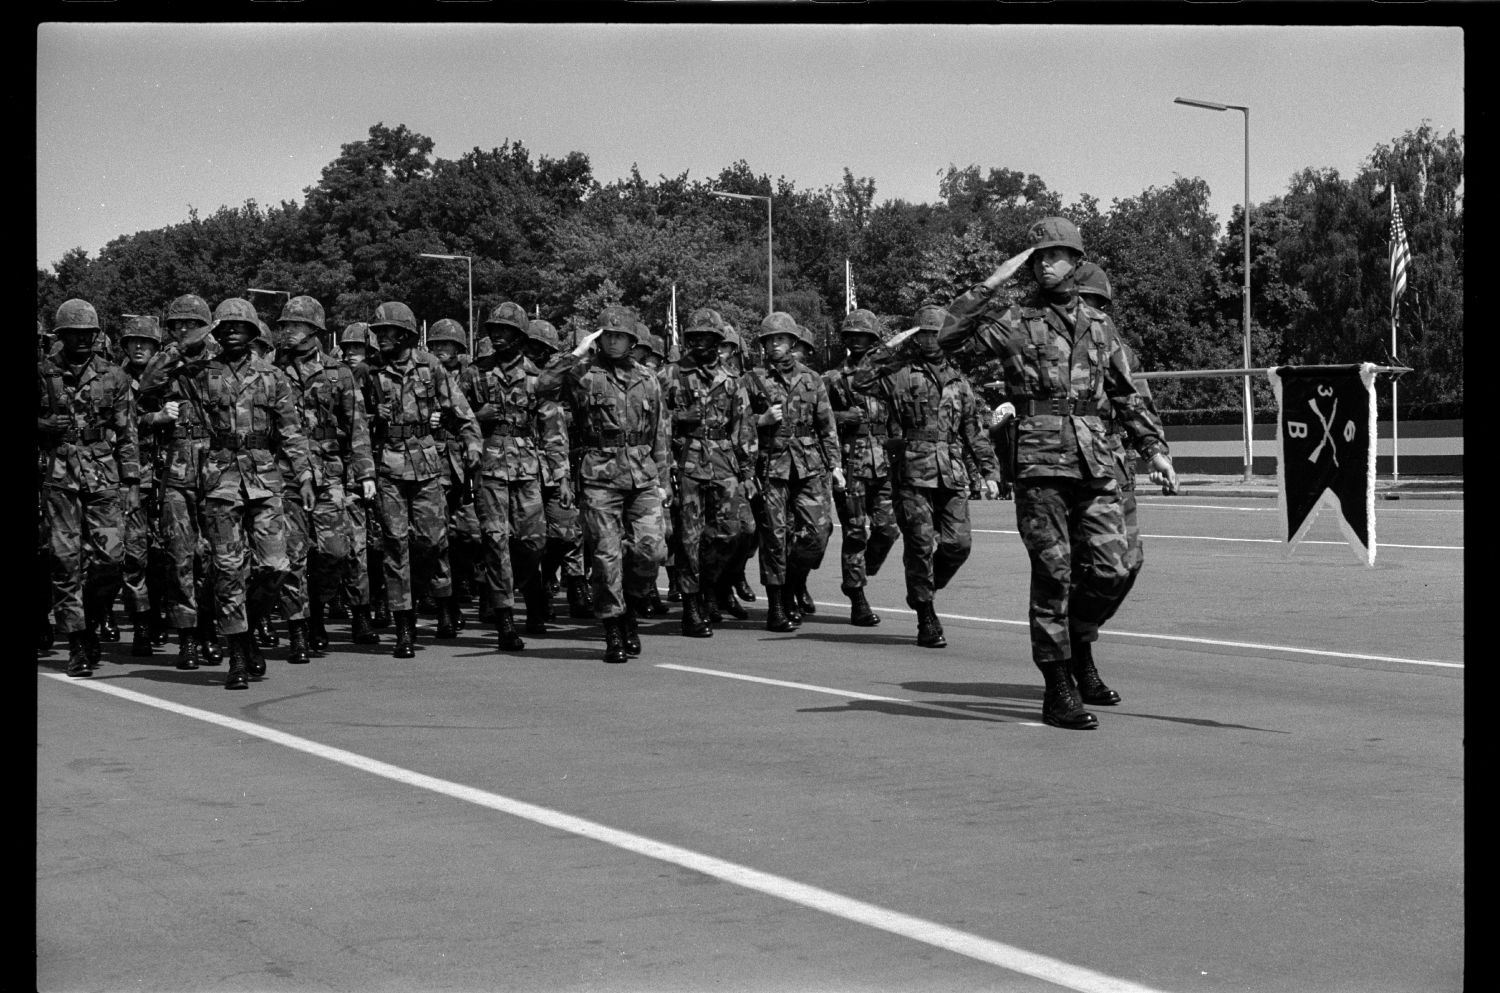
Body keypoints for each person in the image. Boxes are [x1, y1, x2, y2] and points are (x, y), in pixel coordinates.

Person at [940, 216, 1177, 729]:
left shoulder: (1099, 325)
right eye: (1038, 256)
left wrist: (1153, 448)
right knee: (1054, 574)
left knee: (1114, 567)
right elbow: (947, 336)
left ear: (1076, 261)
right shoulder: (1016, 320)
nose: (1044, 263)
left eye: (1054, 254)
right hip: (1039, 462)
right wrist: (992, 283)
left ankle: (1078, 639)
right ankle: (1058, 687)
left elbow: (1125, 392)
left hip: (1094, 459)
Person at [140, 298, 314, 689]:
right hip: (219, 481)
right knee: (228, 569)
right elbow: (149, 387)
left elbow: (291, 431)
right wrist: (181, 346)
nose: (234, 331)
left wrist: (303, 475)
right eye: (227, 326)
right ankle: (237, 652)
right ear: (216, 332)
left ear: (253, 332)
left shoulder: (272, 377)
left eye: (241, 326)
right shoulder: (198, 373)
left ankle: (247, 630)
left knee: (275, 567)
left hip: (264, 480)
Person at [855, 305, 1000, 648]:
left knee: (958, 544)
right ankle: (926, 615)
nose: (931, 339)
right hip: (913, 472)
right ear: (915, 336)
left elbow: (973, 430)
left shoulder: (959, 381)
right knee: (919, 546)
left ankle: (926, 587)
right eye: (924, 333)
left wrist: (990, 471)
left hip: (951, 471)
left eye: (936, 333)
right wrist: (891, 345)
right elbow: (861, 378)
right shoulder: (899, 373)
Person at [536, 304, 669, 664]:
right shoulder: (583, 374)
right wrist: (575, 352)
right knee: (606, 555)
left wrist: (663, 478)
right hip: (599, 477)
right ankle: (614, 627)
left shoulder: (648, 378)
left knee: (651, 549)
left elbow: (659, 432)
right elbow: (543, 387)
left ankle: (631, 605)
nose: (613, 341)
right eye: (607, 335)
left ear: (631, 340)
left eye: (620, 336)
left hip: (642, 475)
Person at [365, 301, 481, 659]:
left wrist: (472, 440)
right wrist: (374, 417)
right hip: (388, 467)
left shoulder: (430, 369)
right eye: (379, 332)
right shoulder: (369, 373)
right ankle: (405, 626)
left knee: (432, 541)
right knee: (395, 545)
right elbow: (353, 422)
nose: (382, 338)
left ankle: (441, 596)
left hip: (427, 464)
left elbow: (460, 410)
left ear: (406, 335)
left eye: (389, 332)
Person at [38, 299, 141, 677]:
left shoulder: (114, 376)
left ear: (96, 336)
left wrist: (131, 481)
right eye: (73, 334)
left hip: (102, 474)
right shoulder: (43, 373)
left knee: (111, 561)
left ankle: (94, 623)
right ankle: (79, 642)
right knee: (65, 562)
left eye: (87, 334)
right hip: (60, 474)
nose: (81, 340)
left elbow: (128, 432)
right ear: (61, 336)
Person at [273, 295, 375, 661]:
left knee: (336, 551)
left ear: (315, 331)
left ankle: (318, 603)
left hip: (329, 473)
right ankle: (300, 629)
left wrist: (364, 472)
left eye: (296, 326)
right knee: (292, 555)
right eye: (284, 326)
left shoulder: (339, 373)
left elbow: (356, 424)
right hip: (283, 473)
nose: (288, 332)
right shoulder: (271, 370)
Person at [1072, 262, 1157, 658]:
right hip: (1073, 470)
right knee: (1087, 568)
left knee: (1130, 564)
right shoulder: (1054, 349)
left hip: (1115, 465)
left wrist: (1156, 452)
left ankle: (1083, 627)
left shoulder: (1114, 346)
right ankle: (1079, 653)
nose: (1094, 311)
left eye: (1100, 304)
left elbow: (1137, 401)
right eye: (1086, 301)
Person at [744, 312, 842, 633]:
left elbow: (827, 425)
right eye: (771, 340)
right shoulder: (753, 380)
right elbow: (734, 425)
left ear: (793, 343)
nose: (776, 345)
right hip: (771, 466)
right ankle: (776, 607)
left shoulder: (812, 379)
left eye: (782, 340)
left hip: (810, 464)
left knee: (818, 532)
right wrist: (761, 421)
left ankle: (794, 585)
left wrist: (836, 465)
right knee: (774, 536)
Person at [662, 315, 757, 637]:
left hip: (724, 461)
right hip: (687, 460)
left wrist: (747, 471)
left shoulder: (731, 378)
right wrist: (679, 418)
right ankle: (691, 607)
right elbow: (651, 419)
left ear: (718, 341)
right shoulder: (672, 375)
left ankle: (713, 586)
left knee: (735, 531)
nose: (699, 342)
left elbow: (743, 424)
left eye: (706, 337)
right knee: (689, 537)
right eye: (694, 337)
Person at [144, 294, 225, 668]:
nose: (181, 330)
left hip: (217, 469)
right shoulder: (168, 362)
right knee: (180, 558)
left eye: (189, 324)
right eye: (175, 325)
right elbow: (145, 388)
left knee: (216, 558)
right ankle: (187, 638)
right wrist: (176, 352)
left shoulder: (224, 359)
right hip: (177, 470)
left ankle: (210, 629)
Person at [462, 301, 548, 649]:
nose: (497, 337)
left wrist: (559, 471)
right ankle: (505, 621)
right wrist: (475, 418)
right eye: (494, 331)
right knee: (495, 541)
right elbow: (451, 416)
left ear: (520, 337)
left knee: (533, 541)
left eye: (505, 332)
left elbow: (551, 425)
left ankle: (533, 590)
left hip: (527, 465)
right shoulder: (474, 373)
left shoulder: (536, 377)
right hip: (490, 465)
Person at [822, 309, 899, 627]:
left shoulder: (888, 376)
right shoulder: (832, 379)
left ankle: (859, 572)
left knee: (887, 529)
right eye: (851, 337)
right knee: (855, 533)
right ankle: (857, 597)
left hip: (882, 463)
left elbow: (899, 417)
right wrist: (843, 419)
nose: (857, 342)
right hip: (850, 465)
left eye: (863, 337)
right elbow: (816, 419)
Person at [521, 319, 592, 621]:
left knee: (568, 529)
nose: (537, 353)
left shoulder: (564, 378)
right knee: (531, 538)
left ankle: (575, 585)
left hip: (558, 463)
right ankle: (536, 593)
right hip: (522, 465)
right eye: (532, 346)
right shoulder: (517, 374)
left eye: (543, 348)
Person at [117, 315, 173, 658]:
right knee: (134, 555)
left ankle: (161, 617)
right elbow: (116, 425)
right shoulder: (115, 380)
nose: (139, 347)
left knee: (167, 555)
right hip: (133, 479)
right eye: (133, 342)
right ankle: (140, 623)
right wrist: (155, 418)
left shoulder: (172, 379)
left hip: (170, 477)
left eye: (146, 342)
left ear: (156, 347)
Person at [425, 318, 484, 629]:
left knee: (470, 533)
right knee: (434, 535)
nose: (440, 350)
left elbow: (474, 418)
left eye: (446, 345)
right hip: (432, 463)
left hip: (463, 464)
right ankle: (439, 596)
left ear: (459, 347)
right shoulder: (425, 375)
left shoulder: (471, 376)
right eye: (435, 344)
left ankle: (463, 578)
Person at [336, 322, 384, 643]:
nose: (353, 355)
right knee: (343, 546)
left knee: (373, 543)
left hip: (372, 467)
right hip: (336, 467)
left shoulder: (377, 380)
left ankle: (371, 604)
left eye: (359, 349)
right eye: (348, 349)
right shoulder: (335, 378)